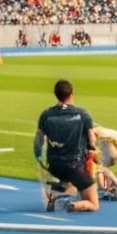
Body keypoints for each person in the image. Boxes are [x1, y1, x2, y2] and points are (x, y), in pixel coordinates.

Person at [33, 79, 98, 214]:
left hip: (54, 167)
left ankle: (60, 190)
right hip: (74, 167)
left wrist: (41, 161)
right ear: (72, 94)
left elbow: (38, 142)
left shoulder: (46, 115)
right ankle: (68, 204)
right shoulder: (82, 114)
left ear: (55, 94)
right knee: (93, 203)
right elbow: (92, 140)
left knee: (73, 182)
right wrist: (91, 155)